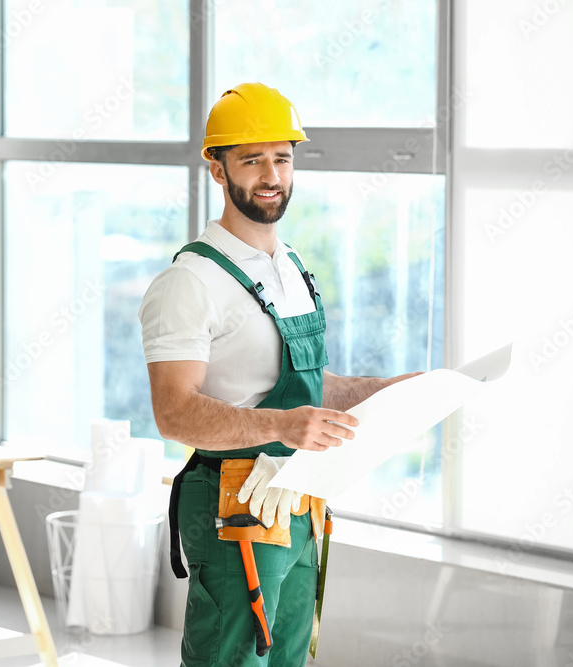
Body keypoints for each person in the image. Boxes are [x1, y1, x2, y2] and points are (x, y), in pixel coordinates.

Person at [138, 82, 420, 666]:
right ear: (217, 169)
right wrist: (286, 427)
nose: (272, 174)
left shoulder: (288, 265)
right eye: (251, 159)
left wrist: (399, 390)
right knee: (234, 658)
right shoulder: (190, 282)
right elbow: (173, 412)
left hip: (297, 499)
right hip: (233, 500)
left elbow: (310, 386)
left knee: (289, 656)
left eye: (283, 158)